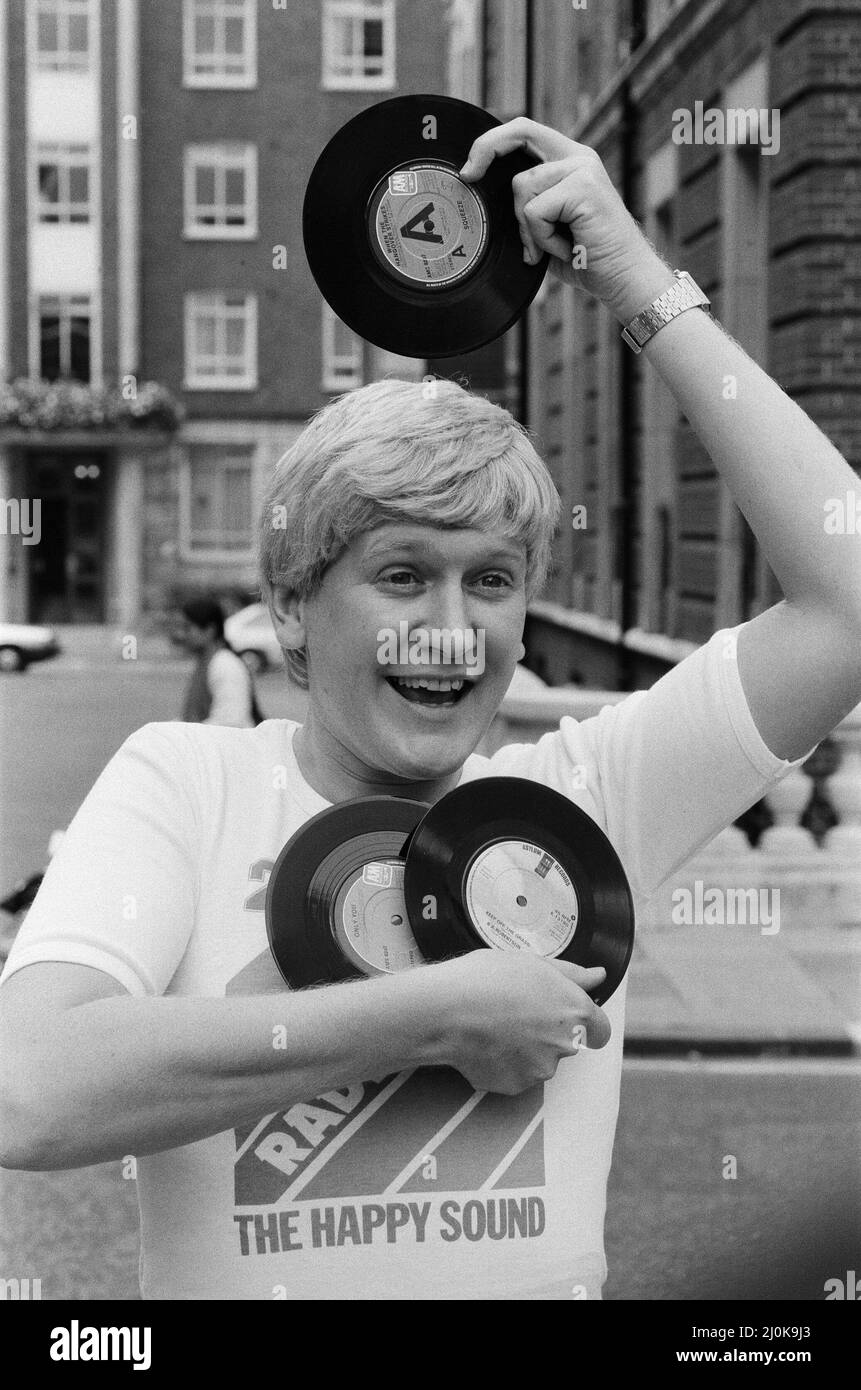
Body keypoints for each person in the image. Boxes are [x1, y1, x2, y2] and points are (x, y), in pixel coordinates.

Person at [1, 118, 860, 1301]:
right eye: (401, 573)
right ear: (295, 609)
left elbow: (850, 596)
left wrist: (640, 284)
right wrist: (434, 1012)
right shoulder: (185, 784)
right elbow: (29, 1086)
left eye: (492, 580)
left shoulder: (588, 800)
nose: (450, 627)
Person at [173, 596, 265, 728]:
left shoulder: (225, 664)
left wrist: (181, 734)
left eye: (187, 628)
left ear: (209, 630)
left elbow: (231, 723)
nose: (180, 634)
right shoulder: (207, 662)